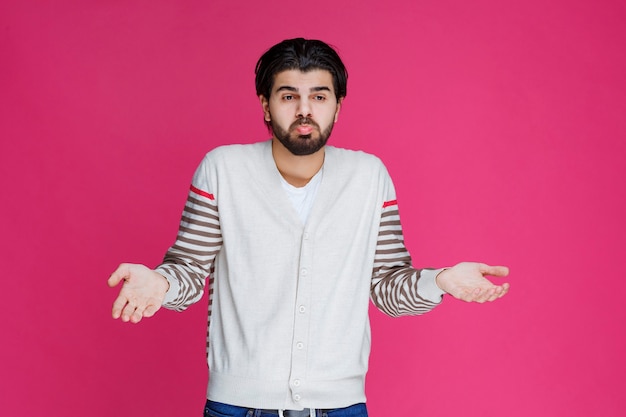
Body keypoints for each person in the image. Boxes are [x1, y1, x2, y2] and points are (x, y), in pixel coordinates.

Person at [108, 38, 510, 417]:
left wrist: (441, 280)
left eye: (319, 96)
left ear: (338, 106)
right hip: (237, 405)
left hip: (342, 405)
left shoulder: (368, 177)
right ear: (266, 106)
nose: (305, 110)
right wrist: (160, 282)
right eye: (289, 96)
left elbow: (388, 287)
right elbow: (190, 271)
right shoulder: (223, 169)